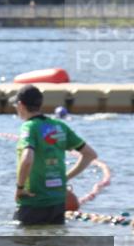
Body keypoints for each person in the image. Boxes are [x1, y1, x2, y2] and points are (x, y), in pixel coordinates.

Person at [11, 84, 97, 226]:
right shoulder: (59, 126)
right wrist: (64, 178)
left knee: (25, 245)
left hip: (33, 201)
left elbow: (27, 159)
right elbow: (90, 155)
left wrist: (20, 188)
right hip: (57, 202)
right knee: (54, 244)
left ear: (20, 105)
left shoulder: (28, 127)